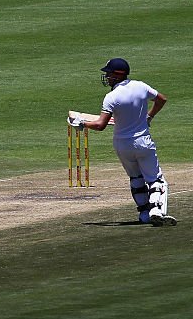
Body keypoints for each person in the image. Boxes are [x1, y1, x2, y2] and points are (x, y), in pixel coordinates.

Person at [70, 58, 176, 226]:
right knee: (155, 179)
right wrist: (149, 116)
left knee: (135, 178)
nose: (107, 77)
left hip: (122, 145)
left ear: (118, 74)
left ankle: (144, 215)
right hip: (142, 141)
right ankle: (156, 210)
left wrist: (81, 123)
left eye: (109, 74)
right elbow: (161, 99)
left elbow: (100, 125)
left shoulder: (111, 97)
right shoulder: (141, 86)